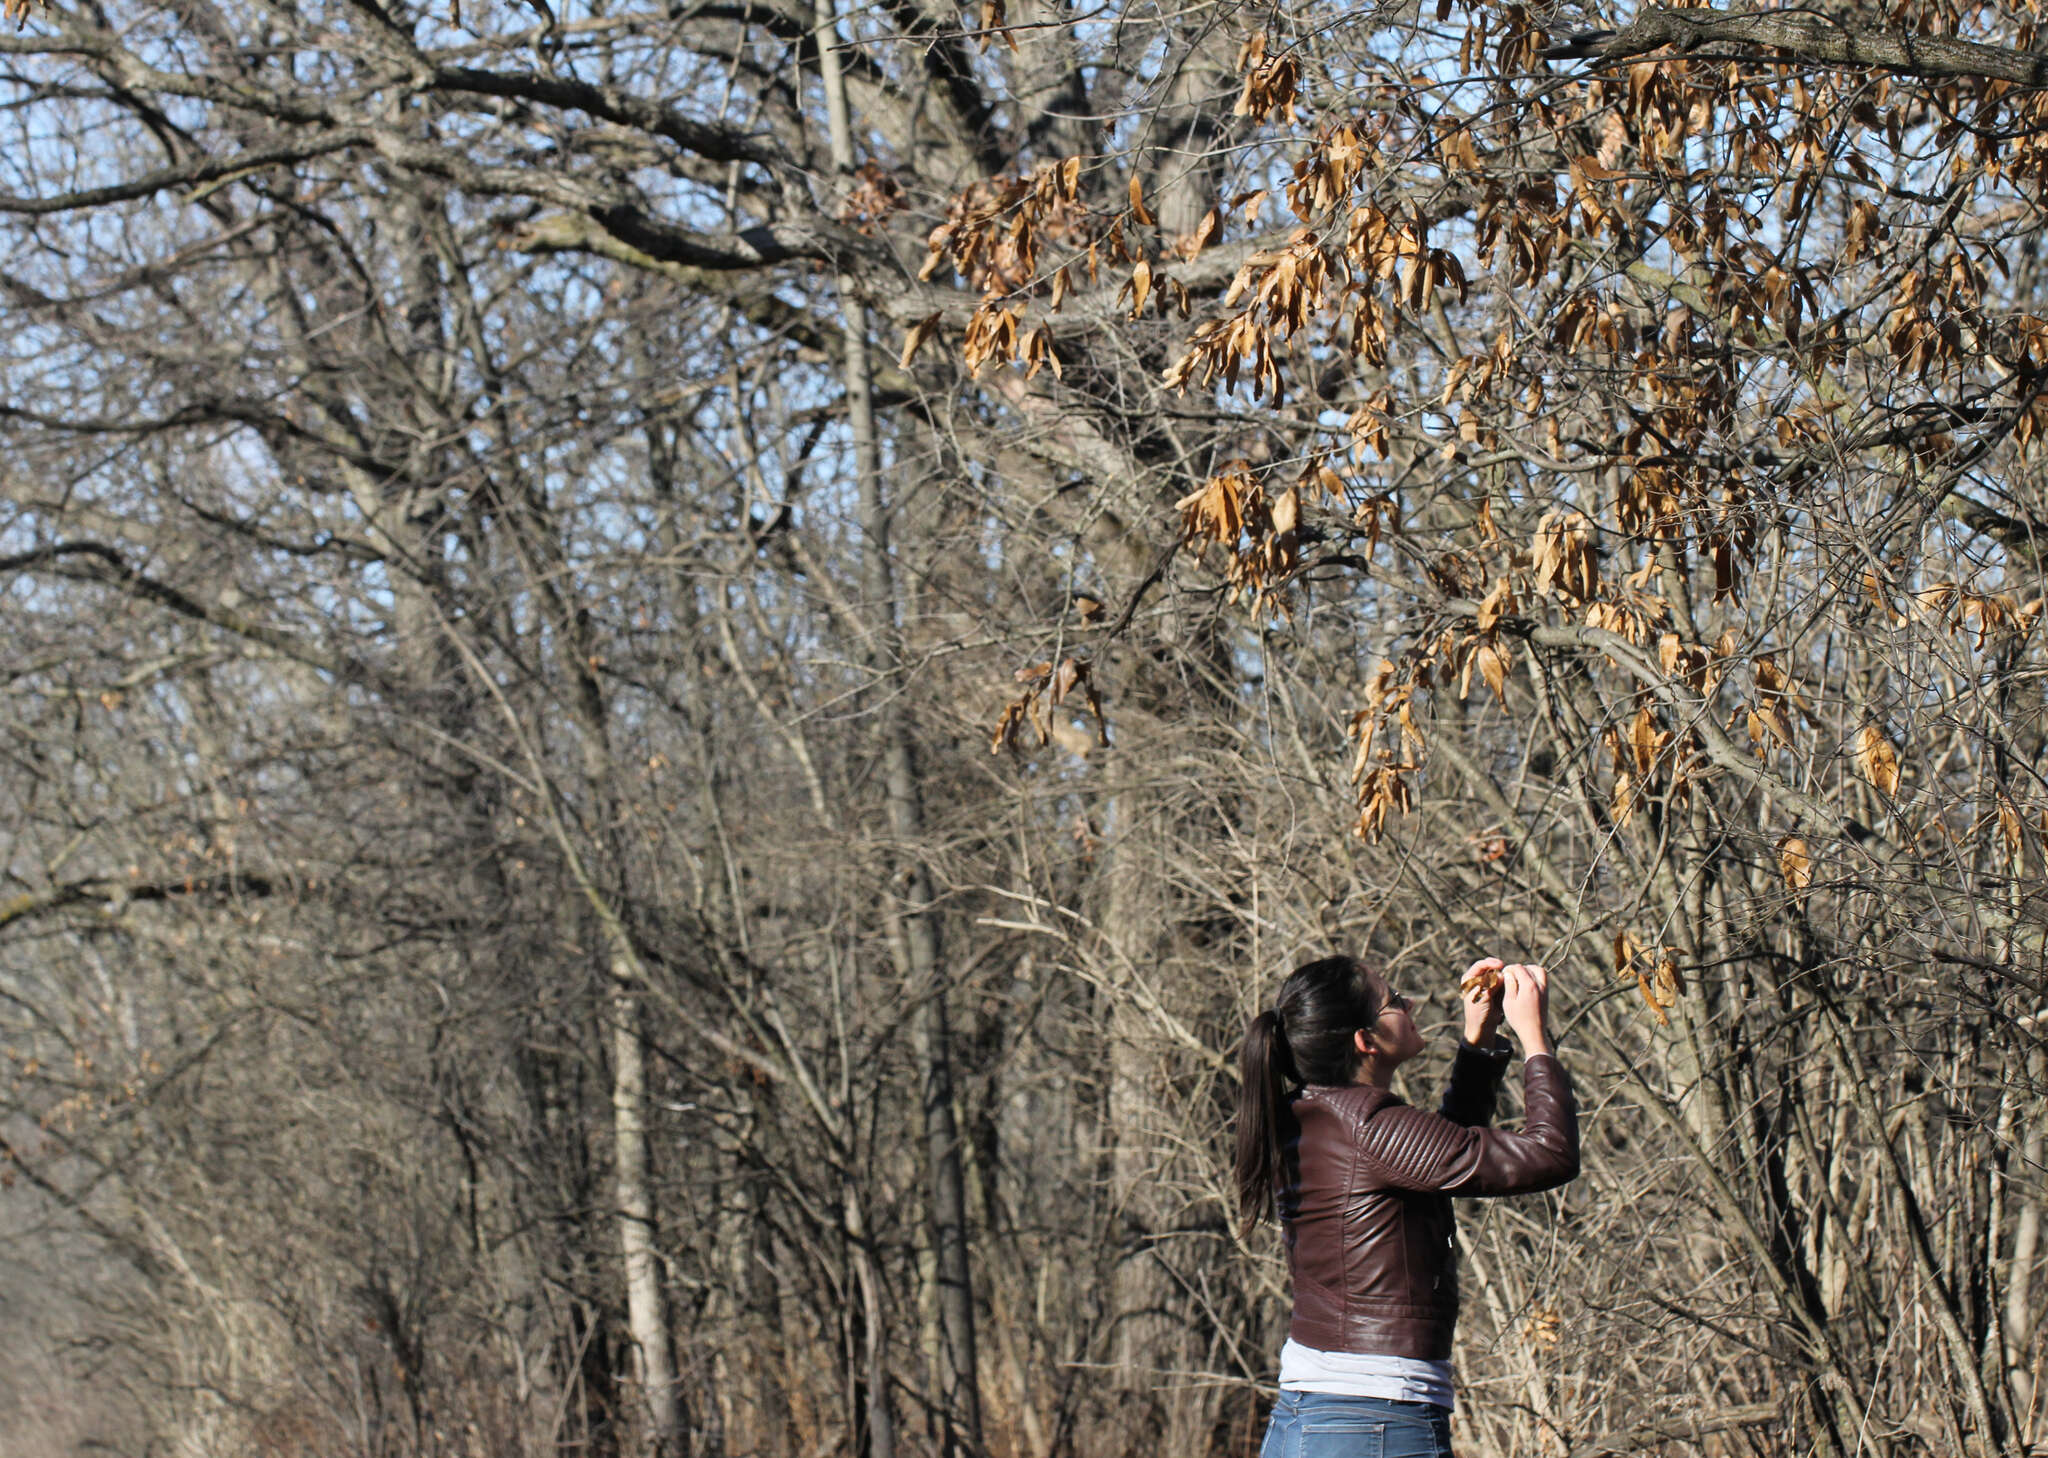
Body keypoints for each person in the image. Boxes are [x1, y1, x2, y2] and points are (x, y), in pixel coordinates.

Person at [1234, 954, 1579, 1458]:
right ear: (1365, 1041)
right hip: (1374, 1419)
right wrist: (1535, 1041)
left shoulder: (1310, 1113)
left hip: (1313, 1415)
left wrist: (1478, 1045)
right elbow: (1551, 1155)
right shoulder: (1371, 1127)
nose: (1409, 1002)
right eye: (1393, 1001)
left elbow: (1441, 1163)